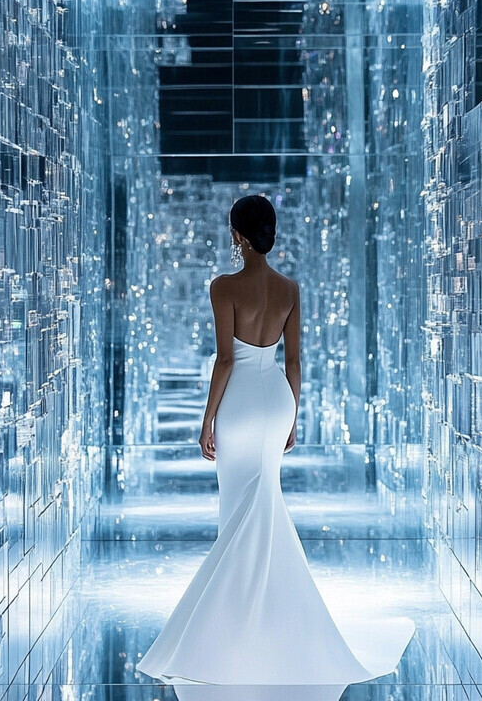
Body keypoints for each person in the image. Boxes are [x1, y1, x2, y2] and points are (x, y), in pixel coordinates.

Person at [136, 194, 415, 686]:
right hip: (277, 399)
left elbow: (225, 360)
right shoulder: (289, 288)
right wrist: (292, 417)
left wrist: (207, 420)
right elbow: (294, 361)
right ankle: (268, 623)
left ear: (238, 236)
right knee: (263, 504)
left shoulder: (223, 286)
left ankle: (233, 632)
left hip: (240, 403)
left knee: (239, 513)